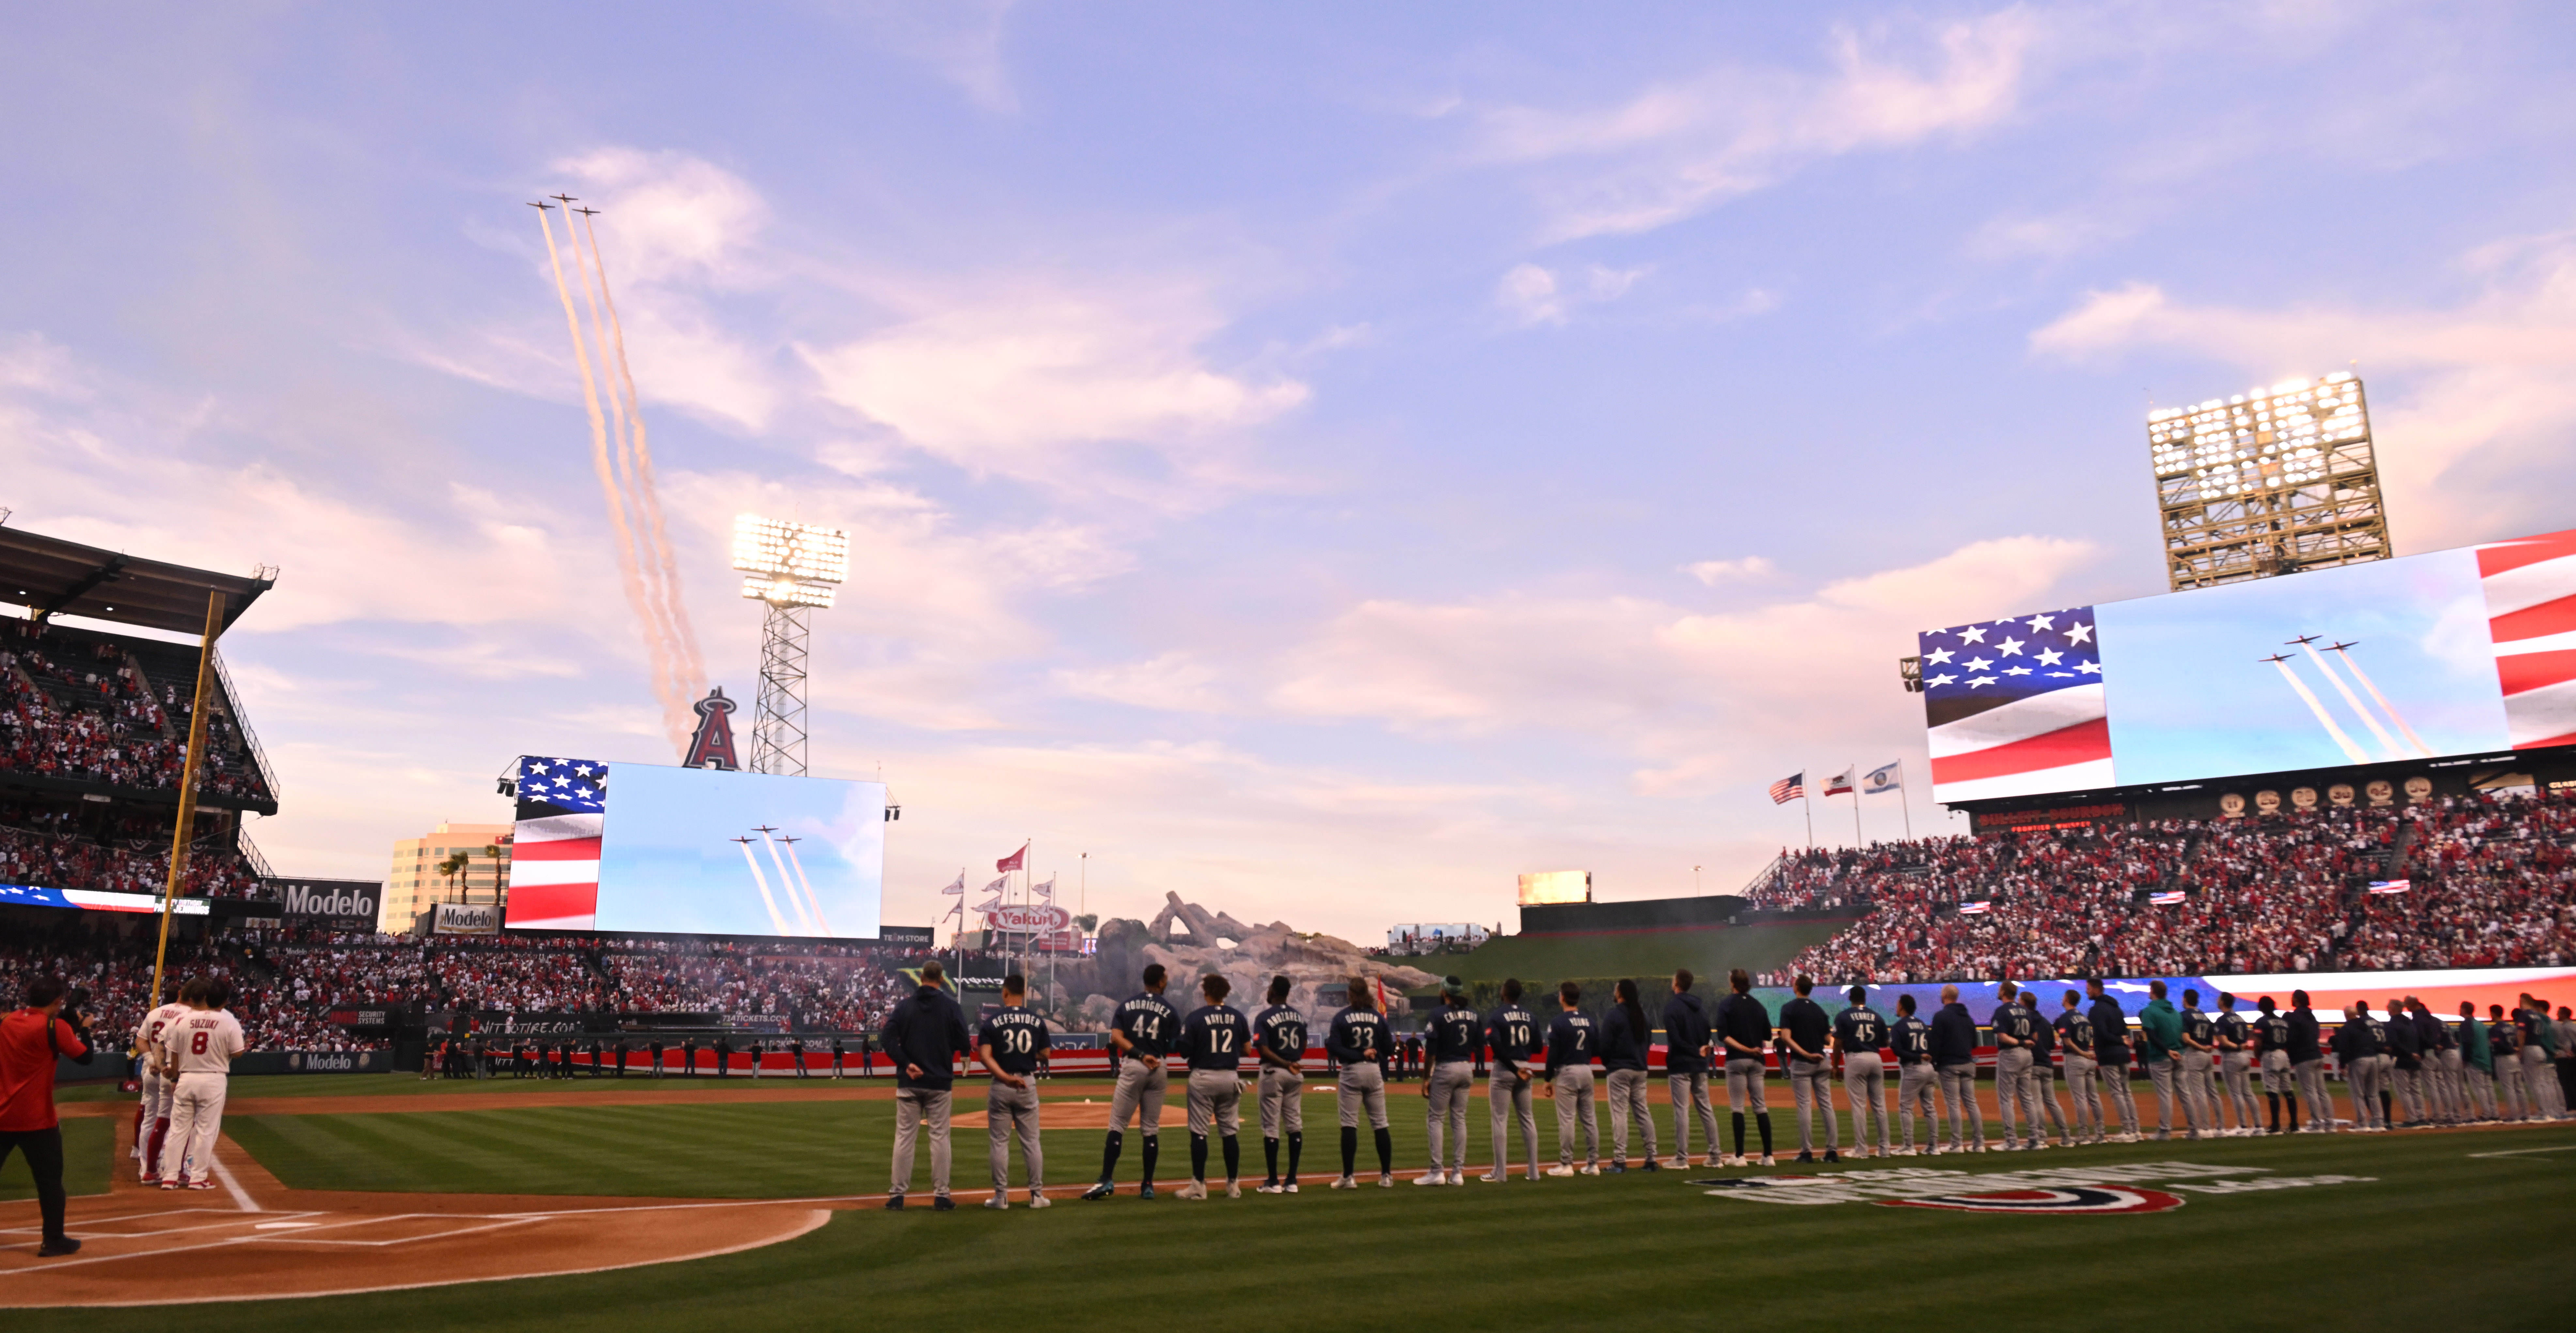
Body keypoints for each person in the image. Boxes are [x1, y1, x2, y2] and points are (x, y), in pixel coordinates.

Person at [2, 976, 93, 1255]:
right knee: (50, 1182)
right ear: (56, 1001)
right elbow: (85, 1058)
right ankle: (53, 1240)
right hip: (38, 1120)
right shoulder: (56, 1027)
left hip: (3, 1116)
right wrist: (85, 1030)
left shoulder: (8, 1021)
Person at [1082, 965, 1181, 1201]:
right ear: (1159, 983)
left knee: (1117, 1125)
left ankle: (1106, 1179)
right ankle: (1147, 1185)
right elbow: (1175, 1045)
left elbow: (1116, 1037)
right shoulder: (1170, 1009)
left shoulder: (1126, 1005)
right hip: (1158, 1066)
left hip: (1134, 1065)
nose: (1166, 982)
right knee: (1150, 1129)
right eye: (1165, 979)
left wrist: (1138, 1053)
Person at [882, 959, 971, 1211]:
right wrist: (951, 1048)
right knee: (940, 1138)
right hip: (940, 1082)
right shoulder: (951, 1007)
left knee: (904, 1139)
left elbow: (887, 1039)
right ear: (941, 979)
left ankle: (897, 1196)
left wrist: (906, 1062)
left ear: (921, 978)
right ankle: (942, 1196)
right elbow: (964, 1039)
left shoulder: (905, 1007)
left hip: (909, 1081)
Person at [158, 978, 245, 1190]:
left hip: (186, 1078)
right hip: (213, 1078)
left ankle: (169, 1176)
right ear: (224, 1001)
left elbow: (174, 1052)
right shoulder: (228, 1021)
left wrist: (176, 1079)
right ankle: (197, 1178)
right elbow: (238, 1052)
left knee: (178, 1129)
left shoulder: (183, 1020)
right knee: (206, 1130)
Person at [975, 973, 1049, 1210]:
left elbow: (984, 1056)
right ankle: (1037, 1196)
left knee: (999, 1142)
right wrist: (1027, 1056)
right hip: (1027, 1083)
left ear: (1005, 993)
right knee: (1031, 1142)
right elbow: (1046, 1053)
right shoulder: (1036, 1021)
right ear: (1024, 993)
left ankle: (1001, 1197)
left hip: (1001, 1085)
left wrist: (1005, 1077)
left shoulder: (992, 1021)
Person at [1175, 973, 1249, 1200]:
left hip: (1204, 1076)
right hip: (1230, 1077)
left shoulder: (1196, 1017)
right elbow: (1247, 1050)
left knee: (1199, 1133)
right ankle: (1233, 1185)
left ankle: (1199, 1185)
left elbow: (1184, 1051)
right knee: (1229, 1133)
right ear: (1225, 993)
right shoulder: (1237, 1017)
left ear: (1206, 992)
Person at [1326, 975, 1394, 1188]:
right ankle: (1386, 1176)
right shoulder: (1378, 1017)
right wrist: (1375, 1054)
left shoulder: (1341, 1017)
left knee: (1349, 1125)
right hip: (1373, 1071)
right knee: (1380, 1124)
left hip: (1352, 1071)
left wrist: (1358, 1054)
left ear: (1350, 994)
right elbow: (1390, 1049)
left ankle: (1348, 1177)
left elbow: (1334, 1047)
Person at [1418, 978, 1481, 1185]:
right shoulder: (1473, 1014)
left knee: (1436, 1118)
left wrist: (1426, 1078)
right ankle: (1458, 1173)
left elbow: (1431, 1051)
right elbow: (1480, 1044)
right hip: (1466, 1066)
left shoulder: (1438, 1014)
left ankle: (1437, 1172)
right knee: (1459, 1119)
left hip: (1446, 1067)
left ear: (1445, 991)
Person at [1713, 968, 1775, 1167]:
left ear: (1733, 983)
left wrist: (1745, 1049)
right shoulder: (1758, 1006)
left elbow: (1723, 1036)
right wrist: (1752, 1048)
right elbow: (1767, 1035)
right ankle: (1768, 1156)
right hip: (1758, 1061)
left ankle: (1740, 1156)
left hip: (1737, 1060)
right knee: (1761, 1106)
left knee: (1738, 1107)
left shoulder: (1726, 1004)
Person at [1251, 976, 1307, 1193]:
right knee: (1294, 1124)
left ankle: (1273, 1181)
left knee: (1271, 1126)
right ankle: (1292, 1180)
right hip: (1294, 1073)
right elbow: (1303, 1045)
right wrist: (1292, 1062)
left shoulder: (1264, 1016)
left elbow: (1263, 1049)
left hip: (1273, 1071)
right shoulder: (1298, 1016)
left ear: (1273, 991)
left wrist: (1283, 1062)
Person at [1482, 979, 1541, 1182]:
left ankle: (1501, 1174)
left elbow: (1496, 1047)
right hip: (1525, 1067)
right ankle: (1534, 1172)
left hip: (1505, 1069)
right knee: (1528, 1119)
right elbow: (1539, 1048)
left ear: (1505, 993)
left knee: (1500, 1120)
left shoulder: (1497, 1016)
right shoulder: (1530, 1016)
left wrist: (1513, 1068)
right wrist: (1521, 1059)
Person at [1539, 981, 1600, 1177]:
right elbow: (1597, 1048)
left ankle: (1566, 1165)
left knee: (1567, 1120)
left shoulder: (1558, 1022)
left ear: (1562, 997)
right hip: (1586, 1070)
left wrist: (1547, 1079)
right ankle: (1593, 1165)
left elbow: (1553, 1054)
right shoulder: (1590, 1021)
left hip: (1568, 1072)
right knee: (1590, 1120)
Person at [1775, 975, 1838, 1164]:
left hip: (1802, 1062)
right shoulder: (1819, 1010)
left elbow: (1786, 1037)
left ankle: (1807, 1152)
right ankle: (1832, 1152)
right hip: (1822, 1060)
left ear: (1797, 988)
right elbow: (1828, 1040)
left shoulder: (1789, 1008)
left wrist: (1805, 1053)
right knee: (1827, 1105)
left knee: (1804, 1106)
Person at [1661, 970, 1720, 1169]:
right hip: (1700, 1064)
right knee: (1706, 1109)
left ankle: (1681, 1159)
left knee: (1682, 1111)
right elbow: (1707, 1035)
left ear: (1676, 984)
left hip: (1681, 1064)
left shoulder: (1671, 1008)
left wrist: (1693, 1050)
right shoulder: (1701, 1008)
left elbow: (1676, 1040)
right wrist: (1700, 1050)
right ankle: (1715, 1157)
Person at [1598, 979, 1658, 1174]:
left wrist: (1609, 1064)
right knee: (1642, 1112)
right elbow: (1648, 1043)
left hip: (1620, 1070)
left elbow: (1604, 1047)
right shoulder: (1644, 1016)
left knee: (1620, 1114)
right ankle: (1651, 1159)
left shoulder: (1614, 1016)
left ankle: (1620, 1160)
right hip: (1640, 1069)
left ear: (1621, 993)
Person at [131, 986, 188, 1184]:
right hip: (173, 1071)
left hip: (152, 1071)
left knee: (150, 1119)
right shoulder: (188, 1014)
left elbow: (140, 1040)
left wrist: (151, 1060)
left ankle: (147, 1167)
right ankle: (175, 1167)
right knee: (175, 1122)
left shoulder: (156, 1012)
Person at [1832, 984, 1889, 1159]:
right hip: (1875, 1058)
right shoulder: (1877, 1016)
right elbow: (1885, 1043)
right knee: (1880, 1105)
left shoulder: (1844, 1016)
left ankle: (1862, 1149)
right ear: (1865, 999)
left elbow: (1838, 1043)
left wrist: (1835, 1066)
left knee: (1859, 1106)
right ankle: (1885, 1149)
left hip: (1855, 1058)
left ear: (1850, 998)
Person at [1928, 983, 1983, 1155]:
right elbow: (1975, 1043)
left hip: (1949, 1065)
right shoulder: (1968, 1018)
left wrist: (1934, 1062)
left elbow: (1935, 1044)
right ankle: (1979, 1144)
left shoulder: (1941, 1016)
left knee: (1953, 1105)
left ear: (1945, 996)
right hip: (1968, 1063)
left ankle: (1957, 1144)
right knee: (1972, 1104)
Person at [2087, 978, 2142, 1142]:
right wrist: (2122, 1041)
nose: (2087, 991)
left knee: (2117, 1093)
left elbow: (2102, 1034)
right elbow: (2124, 1031)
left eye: (2089, 988)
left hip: (2109, 1054)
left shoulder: (2097, 1010)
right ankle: (2136, 1129)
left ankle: (2127, 1130)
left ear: (2097, 990)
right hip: (2123, 1054)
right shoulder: (2116, 1008)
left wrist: (2117, 1041)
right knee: (2126, 1092)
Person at [1988, 982, 2040, 1151]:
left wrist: (2019, 1041)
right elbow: (2035, 1035)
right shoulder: (2026, 1011)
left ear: (2003, 992)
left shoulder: (2002, 1011)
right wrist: (2026, 1042)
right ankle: (2034, 1139)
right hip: (2027, 1055)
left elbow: (2002, 1037)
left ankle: (2011, 1141)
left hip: (2012, 1053)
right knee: (2026, 1097)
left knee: (2006, 1098)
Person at [2136, 980, 2185, 1141]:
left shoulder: (2150, 1011)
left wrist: (2166, 1051)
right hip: (2179, 1055)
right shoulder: (2176, 1012)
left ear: (2154, 992)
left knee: (2165, 1095)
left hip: (2161, 1056)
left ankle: (2165, 1131)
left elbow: (2151, 1034)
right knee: (2185, 1094)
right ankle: (2195, 1130)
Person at [1890, 993, 1937, 1155]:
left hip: (1913, 1068)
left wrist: (1916, 1056)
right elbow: (1932, 1047)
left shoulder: (1899, 1026)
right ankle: (1933, 1146)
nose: (1896, 1007)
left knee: (1906, 1108)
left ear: (1902, 1006)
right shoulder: (1923, 1025)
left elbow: (1897, 1050)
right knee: (1930, 1108)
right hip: (1929, 1068)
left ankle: (1909, 1146)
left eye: (1898, 1004)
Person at [2056, 989, 2103, 1145]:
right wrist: (2087, 1053)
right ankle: (2100, 1133)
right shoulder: (2084, 1017)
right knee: (2094, 1097)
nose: (2062, 999)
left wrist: (2082, 1053)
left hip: (2077, 1058)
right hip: (2089, 1058)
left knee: (2080, 1098)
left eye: (2064, 996)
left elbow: (2068, 1042)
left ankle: (2083, 1135)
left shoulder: (2065, 1018)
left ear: (2067, 999)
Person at [2177, 989, 2219, 1140]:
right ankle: (2219, 1127)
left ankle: (2205, 1128)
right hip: (2208, 1055)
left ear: (2186, 999)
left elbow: (2187, 1039)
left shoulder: (2184, 1015)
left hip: (2195, 1054)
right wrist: (2206, 1048)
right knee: (2213, 1092)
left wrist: (2200, 1048)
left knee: (2199, 1093)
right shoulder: (2205, 1016)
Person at [2335, 1003, 2383, 1132]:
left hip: (2359, 1061)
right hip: (2373, 1059)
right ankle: (2379, 1122)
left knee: (2358, 1094)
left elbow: (2344, 1049)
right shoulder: (2366, 1027)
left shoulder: (2347, 1029)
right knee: (2373, 1093)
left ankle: (2363, 1123)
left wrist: (2343, 1065)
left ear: (2346, 1016)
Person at [2214, 993, 2257, 1136]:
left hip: (2231, 1057)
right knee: (2248, 1093)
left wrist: (2236, 1047)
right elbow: (2247, 1037)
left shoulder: (2222, 1020)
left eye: (2219, 999)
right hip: (2245, 1056)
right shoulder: (2240, 1019)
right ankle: (2258, 1125)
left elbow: (2224, 1041)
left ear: (2223, 1002)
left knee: (2236, 1093)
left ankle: (2243, 1126)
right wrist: (2241, 1047)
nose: (2217, 1000)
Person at [2286, 989, 2328, 1131]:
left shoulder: (2294, 1017)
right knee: (2322, 1092)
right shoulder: (2312, 1017)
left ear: (2297, 1000)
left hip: (2303, 1057)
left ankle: (2317, 1123)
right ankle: (2329, 1122)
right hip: (2317, 1054)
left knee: (2310, 1092)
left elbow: (2291, 1038)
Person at [2456, 1002, 2496, 1122]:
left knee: (2480, 1089)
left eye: (2461, 1008)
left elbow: (2468, 1044)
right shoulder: (2480, 1025)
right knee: (2489, 1088)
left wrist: (2465, 1060)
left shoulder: (2466, 1025)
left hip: (2475, 1060)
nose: (2459, 1010)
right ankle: (2494, 1113)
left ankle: (2487, 1113)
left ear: (2464, 1010)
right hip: (2486, 1060)